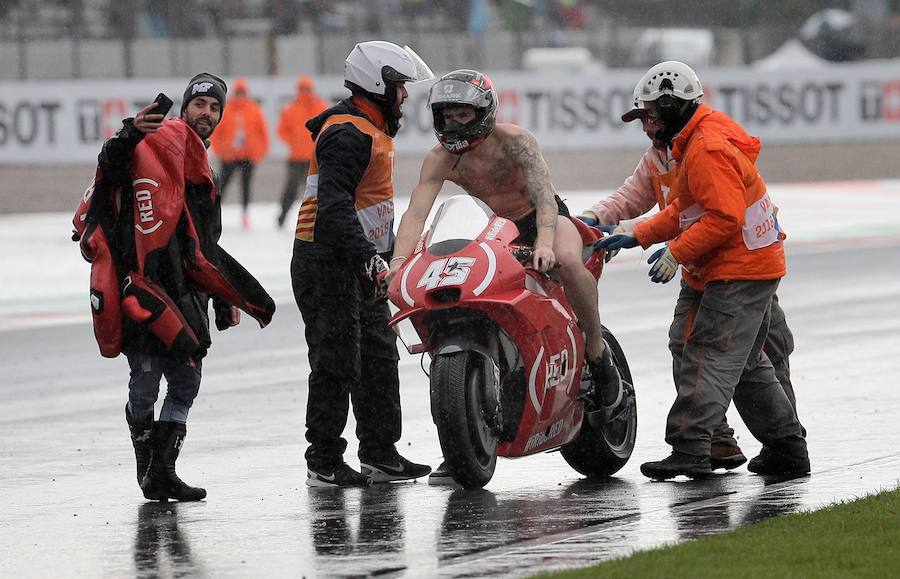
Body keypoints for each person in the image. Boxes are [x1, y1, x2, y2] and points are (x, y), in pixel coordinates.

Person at [387, 69, 628, 483]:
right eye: (447, 116)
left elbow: (544, 196)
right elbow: (416, 213)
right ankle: (464, 433)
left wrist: (547, 243)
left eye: (464, 115)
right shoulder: (440, 157)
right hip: (497, 232)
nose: (454, 124)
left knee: (569, 264)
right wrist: (398, 261)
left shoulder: (517, 142)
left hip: (546, 221)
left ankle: (597, 353)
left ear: (484, 112)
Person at [596, 61, 809, 479]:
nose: (645, 127)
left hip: (737, 269)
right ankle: (786, 447)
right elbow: (685, 208)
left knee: (706, 354)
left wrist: (674, 252)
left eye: (650, 116)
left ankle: (694, 447)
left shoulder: (707, 147)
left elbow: (723, 218)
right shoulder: (692, 142)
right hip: (738, 264)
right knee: (741, 361)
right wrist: (637, 234)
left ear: (674, 107)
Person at [73, 73, 276, 501]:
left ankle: (162, 471)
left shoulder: (202, 167)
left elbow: (206, 243)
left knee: (185, 383)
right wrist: (129, 134)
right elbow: (109, 165)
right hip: (142, 288)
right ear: (184, 110)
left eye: (215, 107)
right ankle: (147, 466)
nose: (207, 113)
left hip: (188, 294)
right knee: (145, 383)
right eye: (200, 104)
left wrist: (223, 299)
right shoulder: (146, 146)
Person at [291, 41, 435, 487]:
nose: (405, 96)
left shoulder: (370, 129)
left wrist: (383, 256)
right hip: (325, 262)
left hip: (357, 263)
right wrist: (369, 259)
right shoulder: (347, 133)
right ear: (377, 85)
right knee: (337, 359)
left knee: (377, 356)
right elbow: (334, 208)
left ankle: (380, 453)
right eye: (399, 87)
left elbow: (371, 208)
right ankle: (324, 459)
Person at [210, 76, 269, 229]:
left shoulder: (254, 110)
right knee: (221, 186)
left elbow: (262, 132)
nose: (240, 95)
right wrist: (221, 151)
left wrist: (259, 152)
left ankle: (245, 214)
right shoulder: (227, 110)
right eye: (238, 92)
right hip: (229, 156)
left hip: (248, 156)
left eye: (242, 92)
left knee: (246, 186)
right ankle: (213, 213)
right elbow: (217, 133)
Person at [276, 74, 330, 228]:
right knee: (292, 189)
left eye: (307, 89)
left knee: (316, 191)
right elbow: (282, 130)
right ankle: (282, 216)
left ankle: (319, 219)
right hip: (297, 157)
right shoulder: (291, 109)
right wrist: (293, 141)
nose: (305, 92)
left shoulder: (320, 107)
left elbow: (328, 128)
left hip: (314, 157)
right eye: (303, 89)